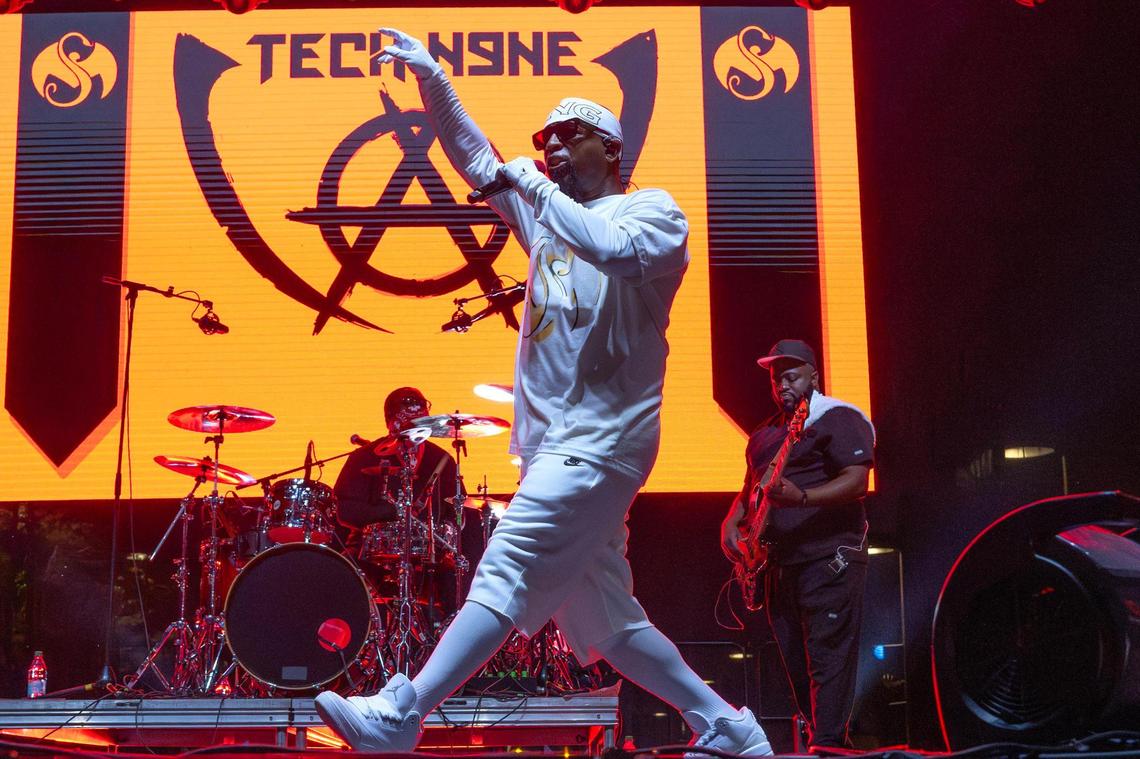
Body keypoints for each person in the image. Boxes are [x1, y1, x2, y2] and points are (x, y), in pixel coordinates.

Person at [314, 27, 773, 756]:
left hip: (605, 438)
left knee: (510, 561)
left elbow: (613, 252)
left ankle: (405, 710)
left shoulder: (654, 212)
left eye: (569, 136)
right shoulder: (549, 216)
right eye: (544, 138)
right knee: (609, 622)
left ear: (612, 149)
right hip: (557, 445)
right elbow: (478, 161)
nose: (551, 148)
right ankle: (728, 724)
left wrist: (528, 183)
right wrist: (435, 80)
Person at [720, 339, 875, 751]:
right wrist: (732, 521)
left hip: (830, 557)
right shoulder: (766, 433)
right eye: (776, 379)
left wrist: (803, 497)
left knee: (827, 657)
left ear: (814, 375)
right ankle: (822, 736)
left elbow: (858, 481)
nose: (782, 385)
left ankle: (828, 744)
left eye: (791, 376)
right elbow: (751, 487)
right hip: (780, 563)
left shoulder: (837, 417)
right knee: (794, 662)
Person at [334, 386, 476, 611]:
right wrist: (392, 513)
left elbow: (458, 511)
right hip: (370, 550)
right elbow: (345, 511)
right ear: (390, 422)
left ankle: (451, 638)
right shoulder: (364, 457)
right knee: (340, 579)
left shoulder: (443, 460)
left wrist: (448, 530)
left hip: (429, 553)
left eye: (418, 421)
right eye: (406, 420)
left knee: (460, 579)